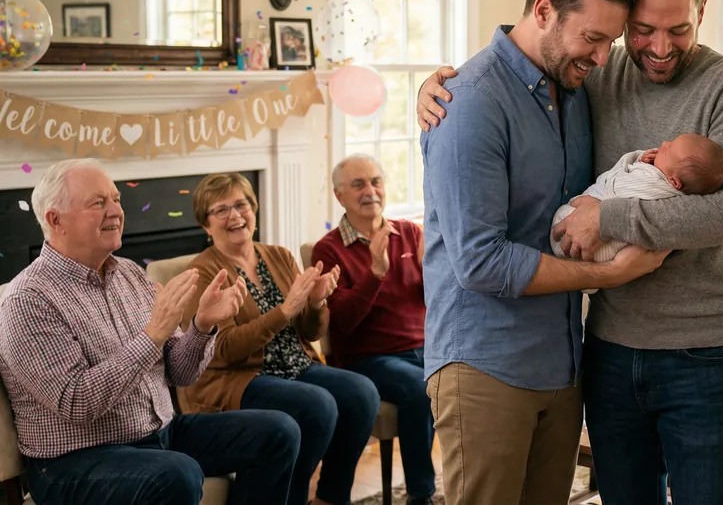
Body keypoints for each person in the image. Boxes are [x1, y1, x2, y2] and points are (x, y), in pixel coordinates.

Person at [418, 0, 723, 505]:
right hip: (605, 348)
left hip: (700, 353)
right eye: (641, 30)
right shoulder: (593, 74)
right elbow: (507, 77)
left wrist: (610, 218)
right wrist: (438, 89)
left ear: (702, 10)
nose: (658, 47)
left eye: (679, 29)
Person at [0, 159, 301, 505]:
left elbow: (180, 373)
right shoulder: (28, 300)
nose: (116, 211)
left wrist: (202, 325)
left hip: (159, 434)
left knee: (279, 431)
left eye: (116, 199)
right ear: (55, 220)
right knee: (177, 473)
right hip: (74, 461)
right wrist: (152, 336)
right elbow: (76, 402)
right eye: (98, 203)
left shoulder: (129, 274)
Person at [177, 172, 381, 505]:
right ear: (206, 225)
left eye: (241, 204)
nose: (235, 215)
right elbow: (222, 350)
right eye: (221, 210)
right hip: (238, 378)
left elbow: (311, 333)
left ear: (253, 210)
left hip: (296, 366)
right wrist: (283, 312)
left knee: (362, 393)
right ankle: (291, 498)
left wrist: (315, 303)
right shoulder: (203, 273)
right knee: (317, 405)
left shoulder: (279, 256)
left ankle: (331, 497)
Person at [310, 154, 436, 505]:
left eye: (375, 181)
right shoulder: (328, 249)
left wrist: (434, 270)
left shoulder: (409, 233)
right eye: (358, 184)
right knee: (421, 389)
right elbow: (342, 323)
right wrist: (375, 274)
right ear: (339, 196)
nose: (370, 191)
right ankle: (421, 495)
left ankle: (474, 482)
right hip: (368, 358)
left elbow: (430, 299)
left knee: (473, 377)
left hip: (426, 347)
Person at [550, 133, 723, 263]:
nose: (664, 143)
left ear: (674, 182)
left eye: (668, 150)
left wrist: (599, 210)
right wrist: (642, 161)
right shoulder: (663, 178)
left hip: (593, 245)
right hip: (610, 292)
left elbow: (618, 185)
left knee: (565, 218)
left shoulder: (656, 186)